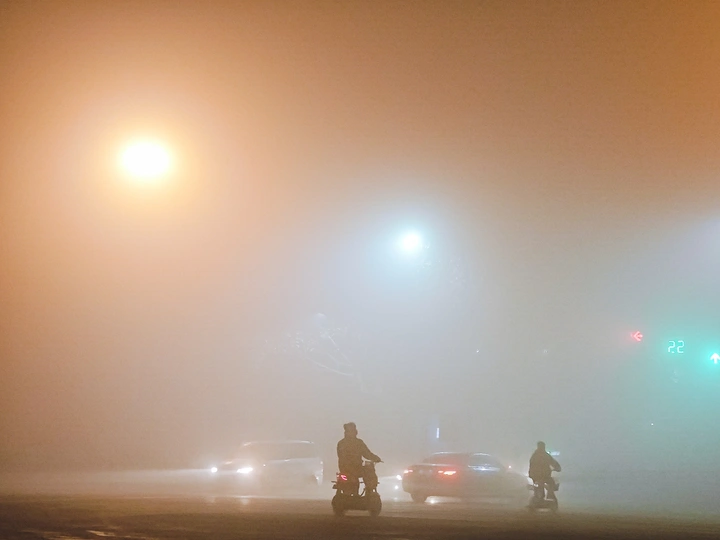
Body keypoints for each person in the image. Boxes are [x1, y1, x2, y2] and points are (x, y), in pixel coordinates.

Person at [337, 422, 381, 495]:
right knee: (369, 471)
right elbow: (367, 454)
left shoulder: (341, 443)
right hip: (356, 469)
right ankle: (370, 490)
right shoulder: (358, 443)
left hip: (344, 469)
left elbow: (340, 456)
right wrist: (376, 458)